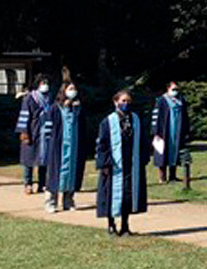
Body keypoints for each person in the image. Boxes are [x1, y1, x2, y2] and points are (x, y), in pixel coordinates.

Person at [95, 90, 149, 237]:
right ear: (115, 102)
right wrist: (105, 163)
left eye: (128, 101)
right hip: (113, 165)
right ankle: (111, 225)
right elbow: (102, 144)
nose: (126, 104)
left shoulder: (136, 120)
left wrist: (144, 158)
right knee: (110, 195)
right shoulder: (108, 121)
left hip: (131, 163)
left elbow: (144, 140)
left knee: (128, 195)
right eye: (123, 101)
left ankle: (125, 225)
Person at [43, 82, 84, 213]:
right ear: (64, 91)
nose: (73, 91)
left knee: (72, 174)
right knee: (55, 173)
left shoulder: (78, 108)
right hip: (58, 145)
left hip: (74, 146)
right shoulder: (55, 108)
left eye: (74, 88)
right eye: (70, 89)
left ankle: (68, 201)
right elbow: (47, 128)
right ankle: (51, 202)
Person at [15, 75, 53, 196]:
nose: (45, 84)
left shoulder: (50, 97)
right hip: (32, 130)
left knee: (44, 159)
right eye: (43, 82)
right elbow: (24, 115)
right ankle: (28, 183)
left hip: (45, 131)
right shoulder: (30, 98)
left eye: (46, 82)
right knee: (29, 159)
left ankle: (42, 184)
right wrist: (24, 132)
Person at [151, 81, 192, 188]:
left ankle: (173, 176)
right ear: (168, 89)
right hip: (164, 132)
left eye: (177, 89)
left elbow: (185, 116)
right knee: (162, 153)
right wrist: (156, 131)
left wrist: (186, 131)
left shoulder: (180, 100)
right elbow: (156, 117)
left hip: (177, 132)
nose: (175, 91)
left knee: (175, 153)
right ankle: (162, 177)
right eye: (173, 89)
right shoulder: (161, 101)